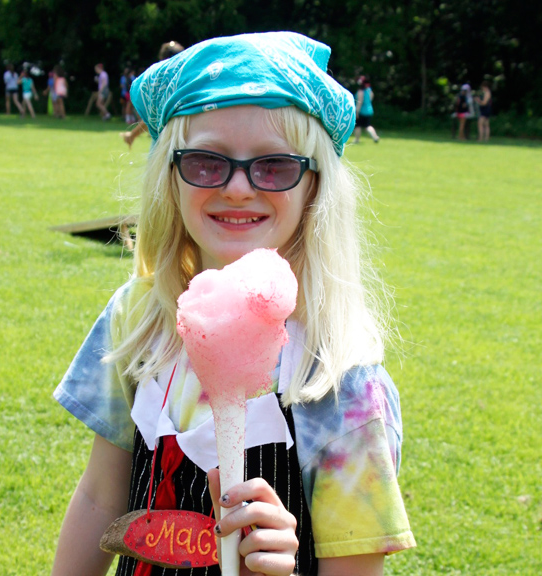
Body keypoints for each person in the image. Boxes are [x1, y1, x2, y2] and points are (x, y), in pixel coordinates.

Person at [52, 32, 416, 576]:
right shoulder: (140, 315)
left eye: (274, 165)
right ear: (168, 178)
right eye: (204, 162)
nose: (240, 188)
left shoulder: (341, 378)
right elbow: (101, 499)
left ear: (314, 186)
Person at [120, 41, 185, 148]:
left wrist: (132, 135)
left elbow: (153, 117)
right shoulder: (186, 82)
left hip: (164, 145)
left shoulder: (163, 84)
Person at [353, 75, 380, 143]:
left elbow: (360, 102)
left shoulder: (360, 92)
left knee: (358, 126)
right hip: (369, 110)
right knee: (367, 126)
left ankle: (357, 139)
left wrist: (357, 112)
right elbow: (371, 98)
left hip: (362, 111)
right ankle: (375, 137)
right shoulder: (369, 90)